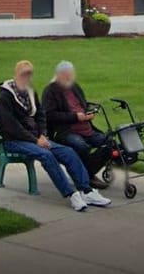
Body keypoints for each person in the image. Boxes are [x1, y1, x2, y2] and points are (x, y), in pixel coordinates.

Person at [0, 60, 112, 212]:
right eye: (23, 74)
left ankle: (86, 191)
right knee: (46, 155)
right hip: (15, 140)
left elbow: (41, 116)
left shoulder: (30, 93)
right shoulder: (5, 98)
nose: (26, 78)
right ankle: (71, 195)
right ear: (15, 74)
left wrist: (43, 135)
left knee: (68, 152)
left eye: (29, 74)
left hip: (36, 139)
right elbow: (11, 127)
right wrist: (35, 140)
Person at [42, 61, 111, 189]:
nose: (70, 78)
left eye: (71, 75)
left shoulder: (74, 87)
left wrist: (89, 113)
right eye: (66, 75)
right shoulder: (50, 91)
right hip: (66, 131)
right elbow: (49, 115)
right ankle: (88, 177)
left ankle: (87, 173)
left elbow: (83, 105)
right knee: (81, 146)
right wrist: (75, 117)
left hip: (86, 128)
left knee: (109, 142)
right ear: (59, 75)